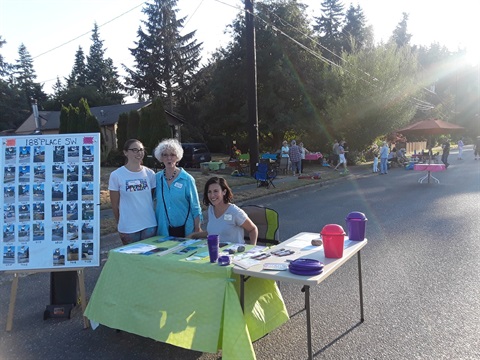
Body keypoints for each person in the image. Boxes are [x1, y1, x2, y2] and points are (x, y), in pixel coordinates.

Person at [108, 139, 157, 245]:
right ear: (125, 152)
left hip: (149, 224)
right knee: (131, 259)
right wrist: (120, 222)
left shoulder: (150, 174)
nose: (139, 153)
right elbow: (114, 204)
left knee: (148, 258)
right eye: (134, 150)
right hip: (128, 227)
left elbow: (152, 197)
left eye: (141, 150)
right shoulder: (116, 175)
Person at [154, 138, 202, 237]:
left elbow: (195, 206)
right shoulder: (156, 179)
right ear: (161, 158)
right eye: (165, 155)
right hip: (163, 230)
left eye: (172, 155)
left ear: (177, 157)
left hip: (186, 229)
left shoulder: (187, 179)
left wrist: (197, 228)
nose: (169, 158)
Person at [190, 177, 258, 245]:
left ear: (224, 192)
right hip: (215, 251)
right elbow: (214, 231)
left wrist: (251, 249)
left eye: (216, 191)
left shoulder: (234, 212)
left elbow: (253, 229)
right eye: (209, 192)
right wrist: (194, 235)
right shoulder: (211, 210)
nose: (212, 195)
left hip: (234, 253)